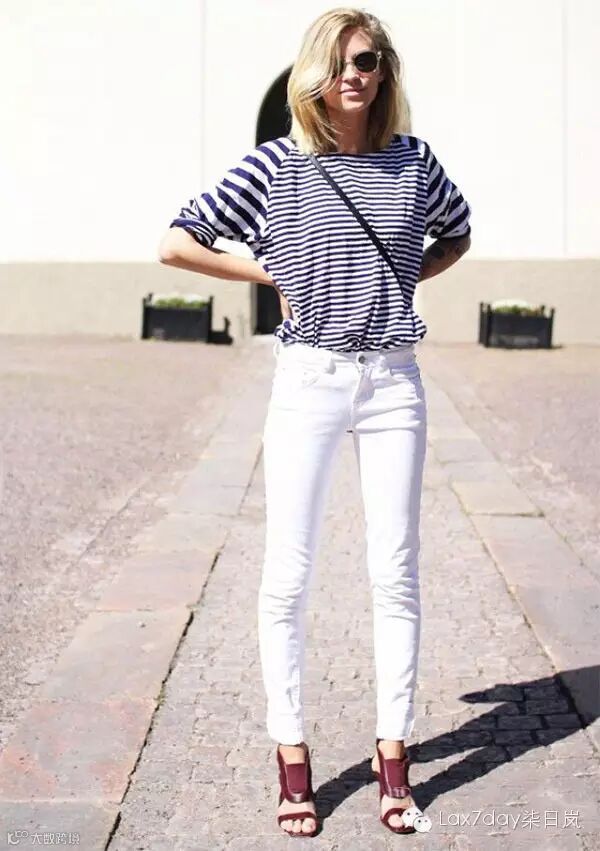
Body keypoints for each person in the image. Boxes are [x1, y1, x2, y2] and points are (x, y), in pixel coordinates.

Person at [159, 6, 471, 839]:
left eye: (366, 60)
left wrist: (397, 275)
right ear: (313, 75)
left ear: (384, 70)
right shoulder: (278, 165)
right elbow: (177, 240)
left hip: (394, 381)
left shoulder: (414, 162)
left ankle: (394, 756)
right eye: (336, 63)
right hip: (309, 380)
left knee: (395, 571)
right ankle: (292, 753)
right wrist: (269, 273)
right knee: (288, 575)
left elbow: (457, 233)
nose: (352, 75)